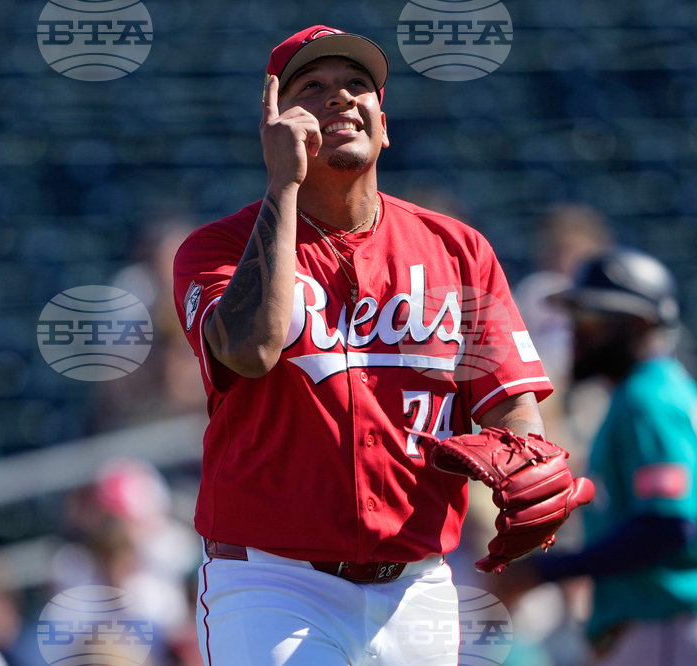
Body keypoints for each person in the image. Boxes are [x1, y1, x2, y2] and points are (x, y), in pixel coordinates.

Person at [172, 25, 558, 666]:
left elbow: (509, 401)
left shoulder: (459, 251)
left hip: (419, 585)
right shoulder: (215, 250)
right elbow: (250, 348)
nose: (341, 98)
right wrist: (283, 186)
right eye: (313, 88)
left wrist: (528, 457)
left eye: (358, 86)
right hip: (273, 582)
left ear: (384, 125)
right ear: (274, 120)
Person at [513, 248, 697, 665]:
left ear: (639, 324)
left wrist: (547, 570)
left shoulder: (647, 398)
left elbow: (669, 523)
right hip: (696, 620)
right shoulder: (676, 392)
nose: (575, 332)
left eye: (590, 320)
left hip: (677, 623)